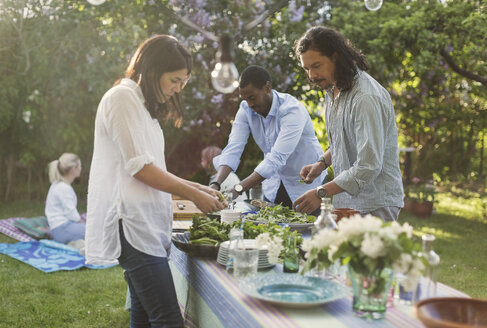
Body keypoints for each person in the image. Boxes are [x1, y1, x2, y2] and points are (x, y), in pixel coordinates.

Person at [85, 35, 225, 328]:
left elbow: (153, 167)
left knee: (145, 315)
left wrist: (198, 187)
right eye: (175, 80)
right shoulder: (121, 98)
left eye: (183, 82)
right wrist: (193, 195)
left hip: (146, 225)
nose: (178, 89)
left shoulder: (142, 107)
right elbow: (140, 169)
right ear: (151, 70)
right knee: (168, 320)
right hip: (131, 224)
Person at [292, 26, 404, 222]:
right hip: (347, 202)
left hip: (375, 205)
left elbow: (368, 165)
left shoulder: (365, 97)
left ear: (335, 57)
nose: (311, 75)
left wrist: (320, 192)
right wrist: (322, 163)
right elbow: (344, 141)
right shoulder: (333, 90)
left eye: (316, 66)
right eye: (307, 68)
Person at [211, 65, 326, 210]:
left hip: (306, 188)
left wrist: (238, 189)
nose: (250, 104)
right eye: (246, 99)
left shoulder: (291, 110)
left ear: (267, 88)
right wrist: (215, 185)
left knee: (307, 232)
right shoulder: (246, 109)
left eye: (252, 97)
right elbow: (233, 149)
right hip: (273, 187)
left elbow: (276, 158)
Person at [45, 153, 85, 244]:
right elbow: (72, 214)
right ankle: (77, 244)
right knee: (95, 232)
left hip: (60, 228)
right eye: (80, 166)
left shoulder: (58, 184)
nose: (81, 168)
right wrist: (82, 222)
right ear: (73, 169)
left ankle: (77, 243)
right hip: (62, 229)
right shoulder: (63, 188)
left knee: (92, 229)